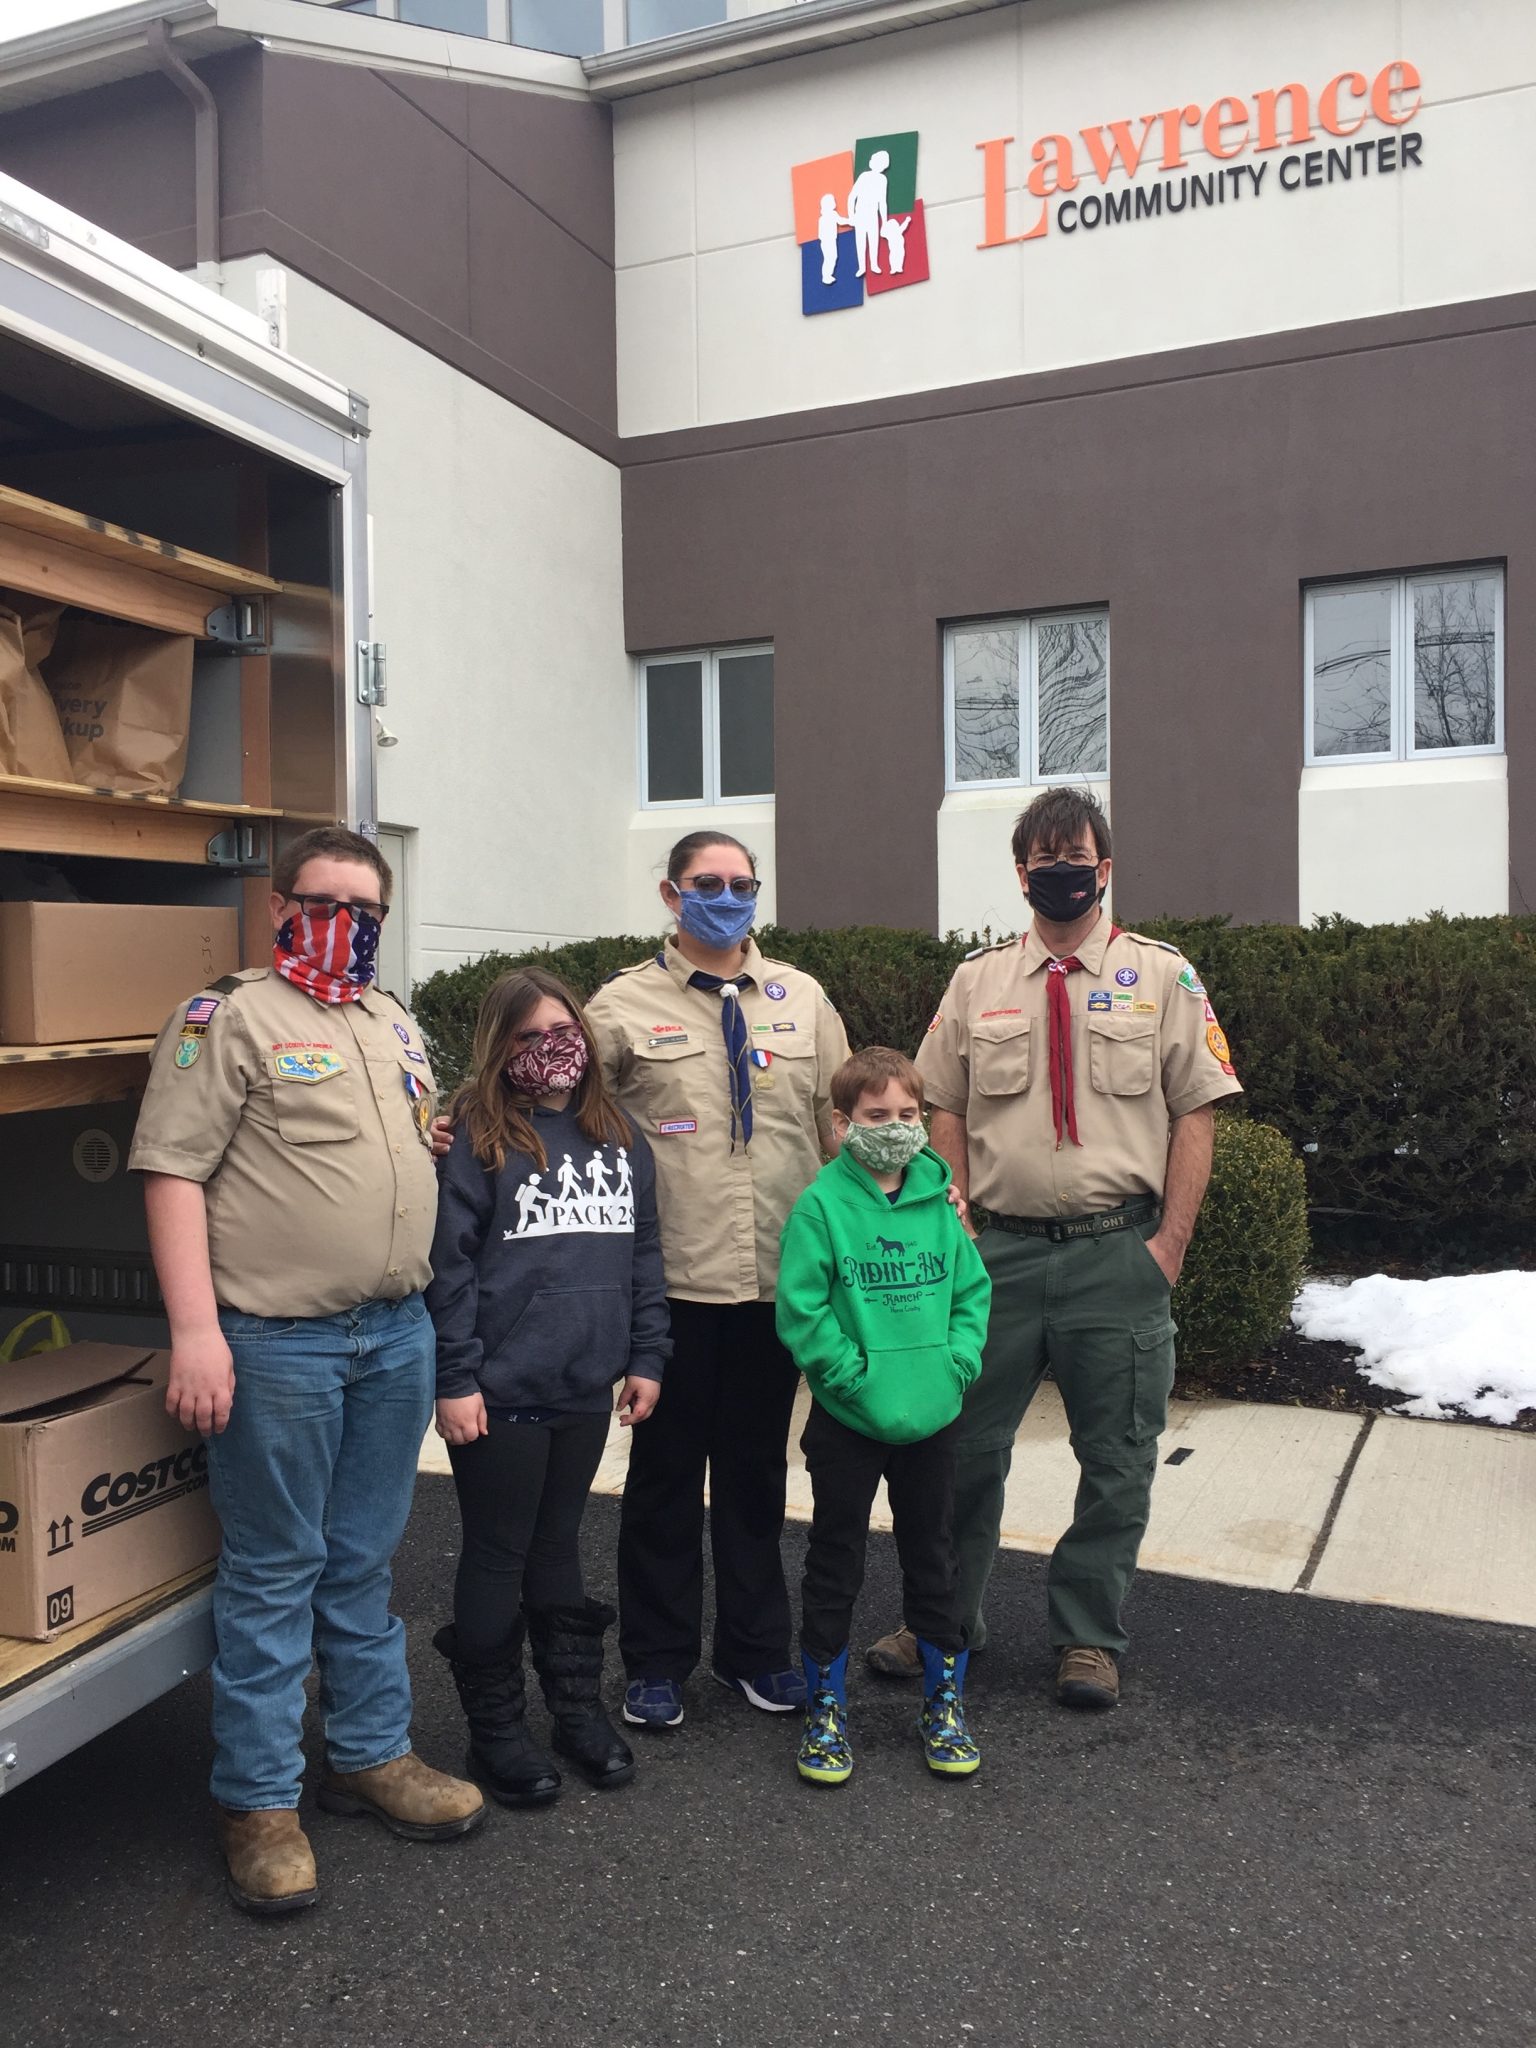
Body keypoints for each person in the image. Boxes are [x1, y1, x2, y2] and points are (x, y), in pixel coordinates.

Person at [129, 825, 482, 1919]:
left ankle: (370, 1754)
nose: (347, 921)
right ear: (278, 905)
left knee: (364, 1561)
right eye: (325, 900)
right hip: (277, 1341)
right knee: (275, 1569)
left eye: (367, 906)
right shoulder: (227, 1017)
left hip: (394, 1333)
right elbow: (173, 1173)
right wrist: (197, 1331)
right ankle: (259, 1804)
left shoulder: (390, 1019)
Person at [865, 788, 1242, 1708]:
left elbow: (1198, 1108)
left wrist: (1169, 1249)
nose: (1059, 871)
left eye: (1075, 855)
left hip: (1119, 1255)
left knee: (1116, 1457)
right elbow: (940, 1102)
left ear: (1104, 869)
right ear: (1022, 872)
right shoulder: (977, 982)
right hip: (998, 1256)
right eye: (1042, 859)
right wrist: (952, 1219)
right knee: (958, 1449)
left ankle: (1088, 1637)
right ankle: (945, 1620)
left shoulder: (1163, 977)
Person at [584, 832, 850, 1730]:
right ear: (671, 893)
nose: (728, 897)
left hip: (777, 1283)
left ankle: (755, 1652)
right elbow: (566, 1116)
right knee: (661, 1479)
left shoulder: (802, 999)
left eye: (743, 884)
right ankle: (656, 1664)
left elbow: (835, 1130)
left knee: (754, 1478)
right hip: (672, 1287)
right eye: (709, 883)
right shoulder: (620, 1006)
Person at [427, 968, 669, 1808]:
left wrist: (648, 1357)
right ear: (499, 1046)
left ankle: (573, 1708)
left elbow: (643, 1255)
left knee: (560, 1546)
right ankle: (497, 1728)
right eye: (529, 1037)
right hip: (499, 1392)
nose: (551, 1049)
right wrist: (453, 1377)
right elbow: (449, 1270)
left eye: (563, 1031)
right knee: (499, 1552)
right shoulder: (473, 1139)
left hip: (584, 1384)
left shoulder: (618, 1133)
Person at [777, 1047, 991, 1786]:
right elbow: (803, 1312)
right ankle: (826, 1707)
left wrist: (955, 1365)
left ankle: (943, 1700)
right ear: (842, 1125)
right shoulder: (821, 1206)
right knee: (836, 1560)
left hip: (932, 1416)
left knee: (933, 1557)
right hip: (849, 1419)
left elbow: (972, 1293)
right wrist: (850, 1378)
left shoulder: (941, 1198)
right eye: (876, 1116)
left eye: (907, 1114)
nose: (894, 1128)